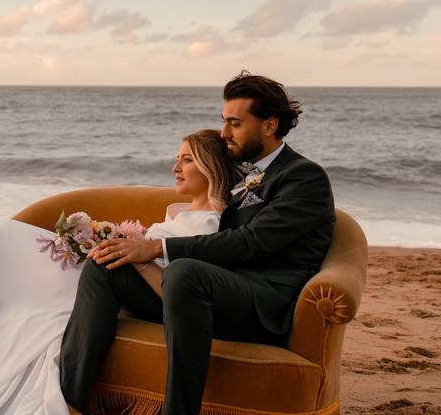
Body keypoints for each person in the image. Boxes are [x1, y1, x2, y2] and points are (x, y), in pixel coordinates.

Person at [0, 129, 235, 415]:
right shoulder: (180, 214)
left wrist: (138, 258)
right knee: (0, 237)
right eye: (178, 158)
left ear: (209, 165)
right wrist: (105, 240)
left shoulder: (209, 225)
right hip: (115, 279)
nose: (175, 167)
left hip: (132, 289)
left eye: (186, 159)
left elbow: (179, 291)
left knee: (7, 240)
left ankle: (67, 400)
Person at [60, 71, 336, 415]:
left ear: (269, 125)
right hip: (213, 293)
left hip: (264, 305)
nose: (224, 133)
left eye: (235, 124)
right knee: (105, 263)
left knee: (185, 273)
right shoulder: (246, 174)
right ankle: (70, 402)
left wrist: (155, 249)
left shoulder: (304, 177)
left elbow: (251, 243)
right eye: (224, 122)